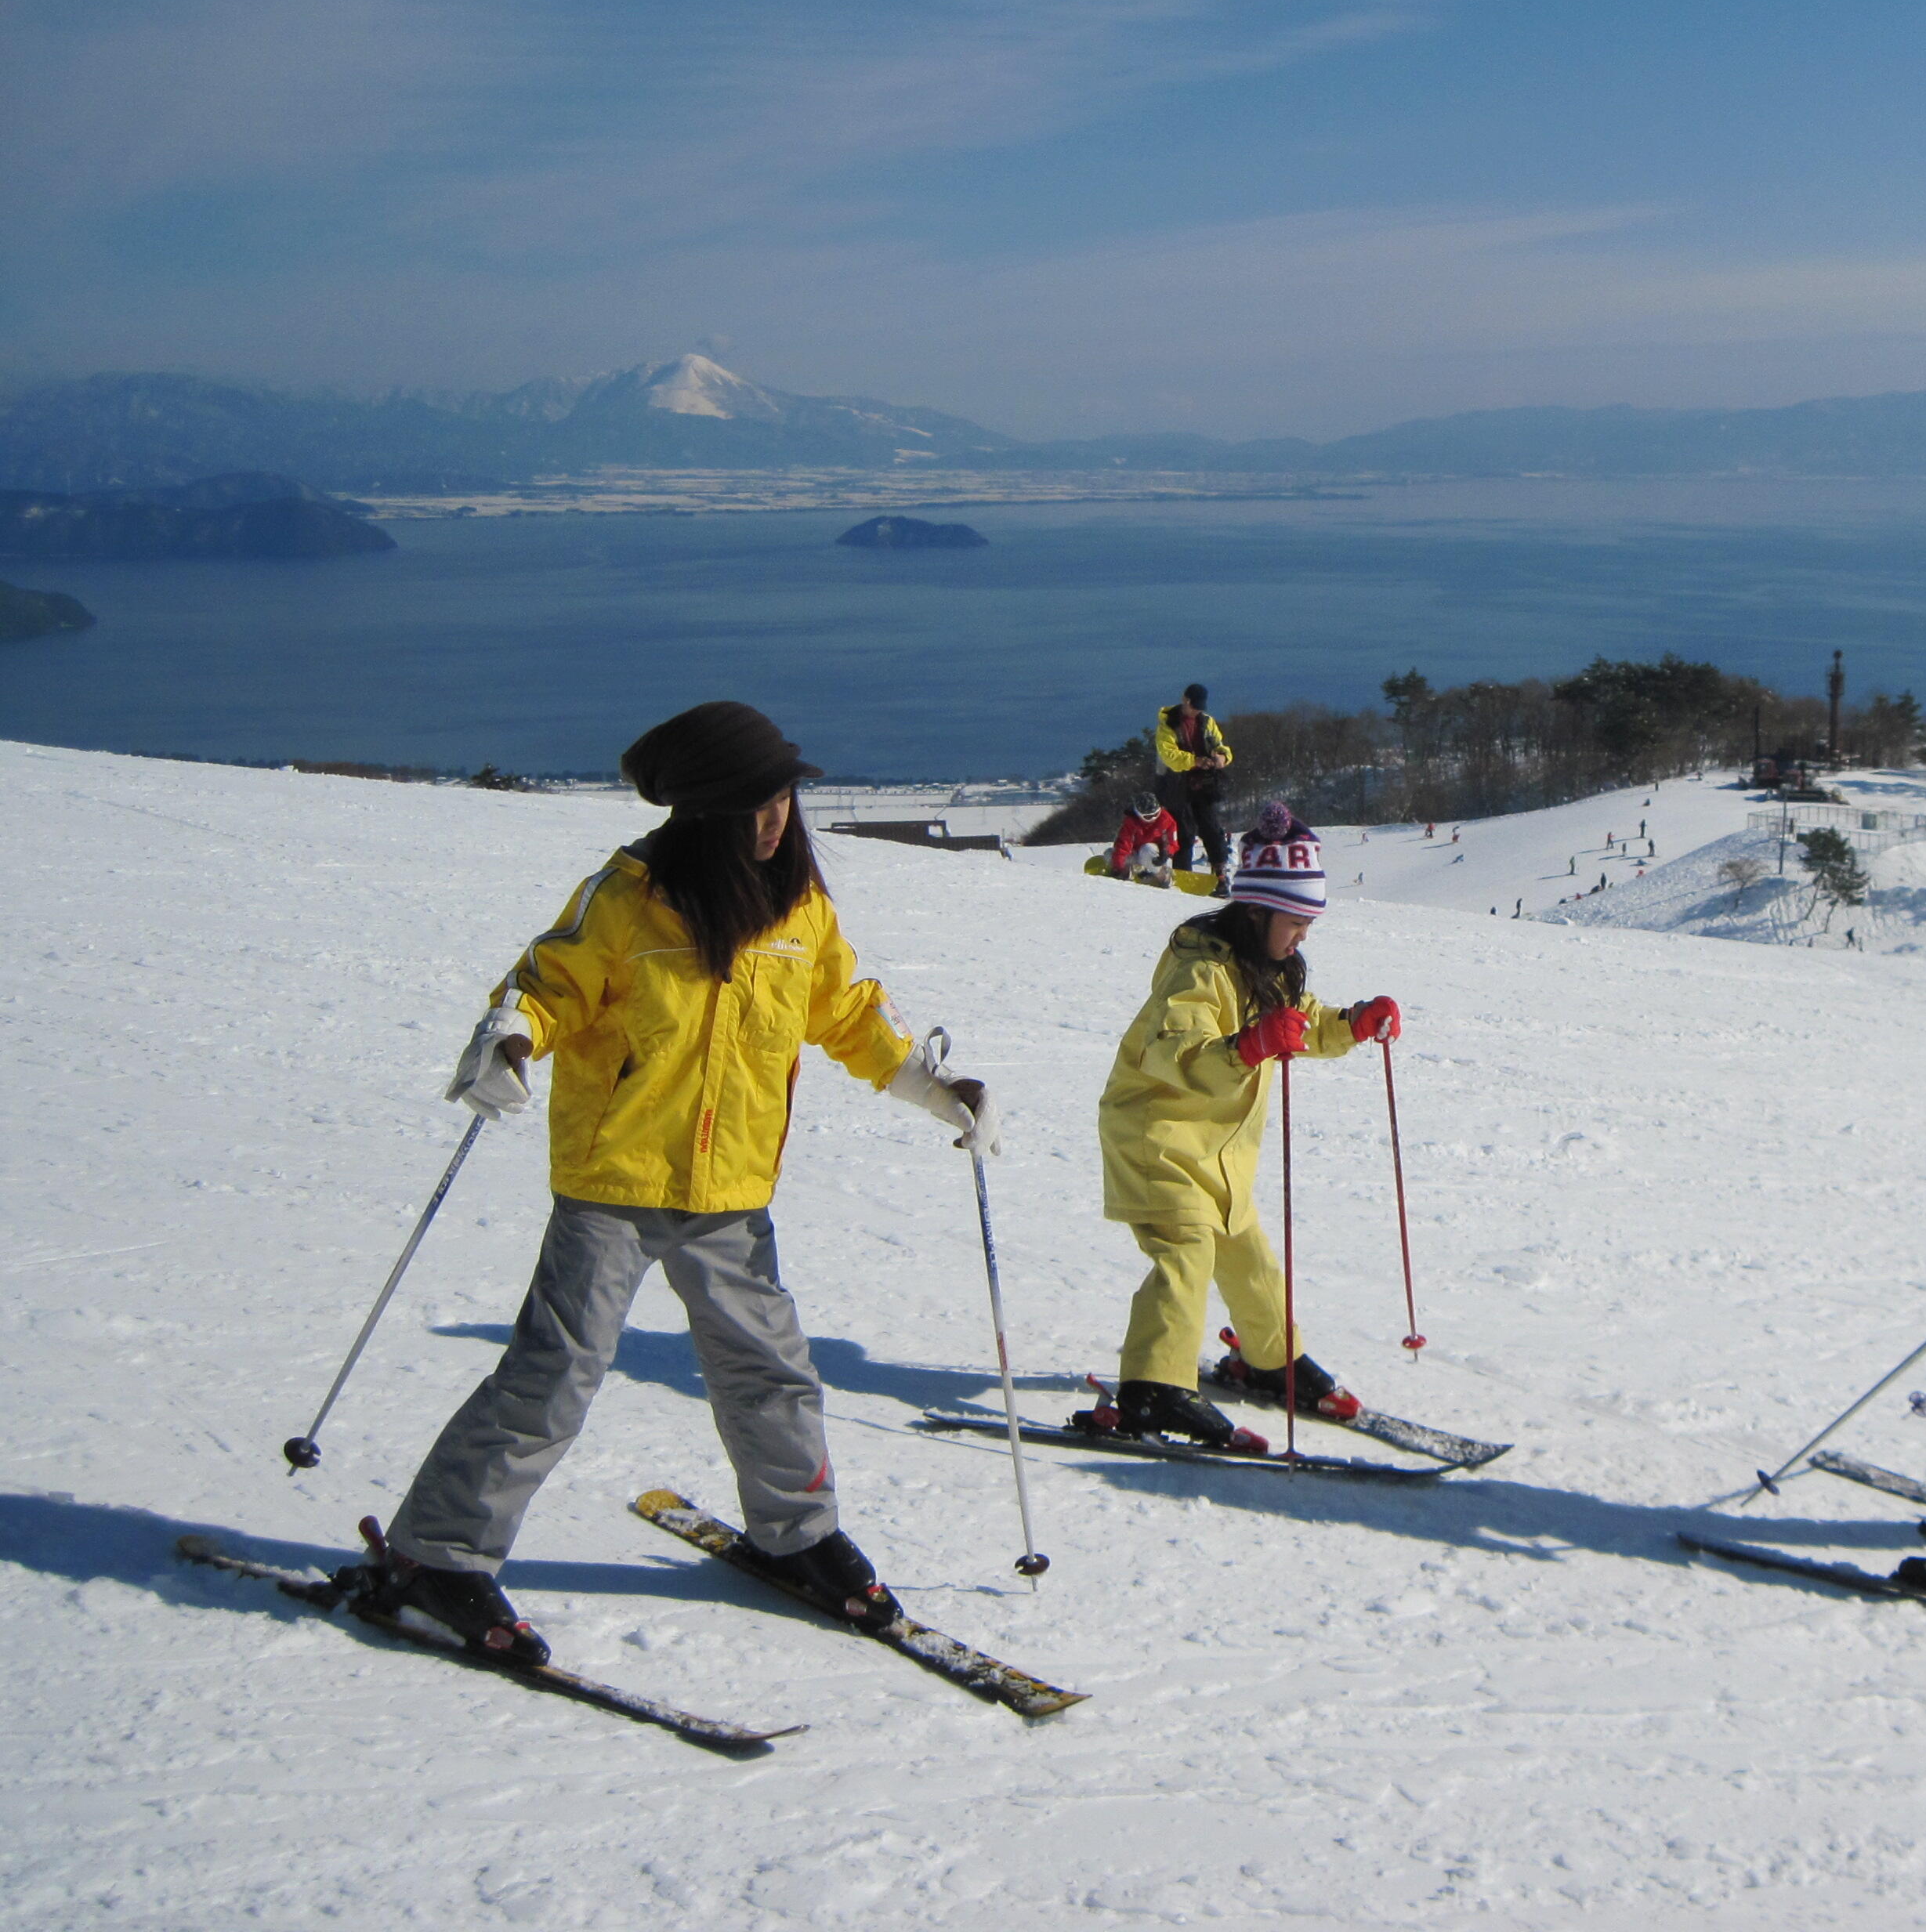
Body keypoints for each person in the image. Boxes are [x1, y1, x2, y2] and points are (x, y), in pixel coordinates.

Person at [376, 702, 999, 1665]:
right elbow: (545, 985)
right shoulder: (628, 899)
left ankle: (797, 1535)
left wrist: (929, 1083)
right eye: (750, 804)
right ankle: (438, 1554)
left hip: (732, 1192)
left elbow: (846, 1010)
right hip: (614, 1184)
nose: (772, 821)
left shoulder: (799, 910)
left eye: (782, 798)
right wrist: (505, 1041)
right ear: (700, 812)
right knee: (556, 1373)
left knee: (770, 1371)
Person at [1084, 802, 1399, 1448]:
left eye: (1310, 924)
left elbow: (1303, 1022)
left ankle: (1270, 1361)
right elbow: (1176, 1050)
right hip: (1157, 1137)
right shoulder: (1198, 969)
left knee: (1249, 1257)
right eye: (1296, 922)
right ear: (1256, 911)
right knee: (1187, 1255)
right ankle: (1153, 1389)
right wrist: (1248, 1047)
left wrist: (1355, 1022)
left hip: (1216, 1152)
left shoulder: (1269, 970)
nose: (1304, 936)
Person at [1153, 683, 1233, 881]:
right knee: (1184, 834)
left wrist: (1222, 757)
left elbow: (1219, 745)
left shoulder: (1207, 722)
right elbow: (1169, 755)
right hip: (1175, 785)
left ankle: (1221, 874)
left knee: (1212, 829)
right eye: (1194, 705)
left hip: (1203, 783)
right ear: (1185, 700)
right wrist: (1194, 761)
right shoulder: (1168, 724)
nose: (1197, 710)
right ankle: (1183, 876)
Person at [1110, 787, 1182, 888]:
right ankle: (1128, 874)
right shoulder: (1131, 822)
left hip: (1154, 855)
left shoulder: (1166, 820)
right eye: (1148, 817)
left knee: (1147, 849)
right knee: (1111, 854)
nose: (1153, 819)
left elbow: (1173, 843)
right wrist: (1118, 866)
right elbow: (1123, 844)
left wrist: (1166, 852)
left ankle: (1162, 876)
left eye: (1156, 815)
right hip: (1135, 854)